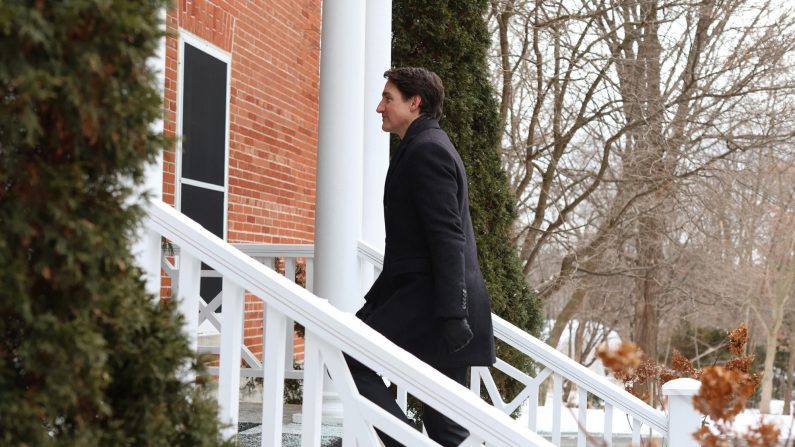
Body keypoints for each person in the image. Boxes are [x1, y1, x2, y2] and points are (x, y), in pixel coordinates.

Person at [349, 67, 496, 447]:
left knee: (350, 352)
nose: (379, 106)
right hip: (431, 300)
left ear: (415, 103)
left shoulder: (427, 149)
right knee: (446, 427)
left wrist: (453, 313)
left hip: (434, 302)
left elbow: (448, 237)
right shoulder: (420, 145)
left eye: (388, 98)